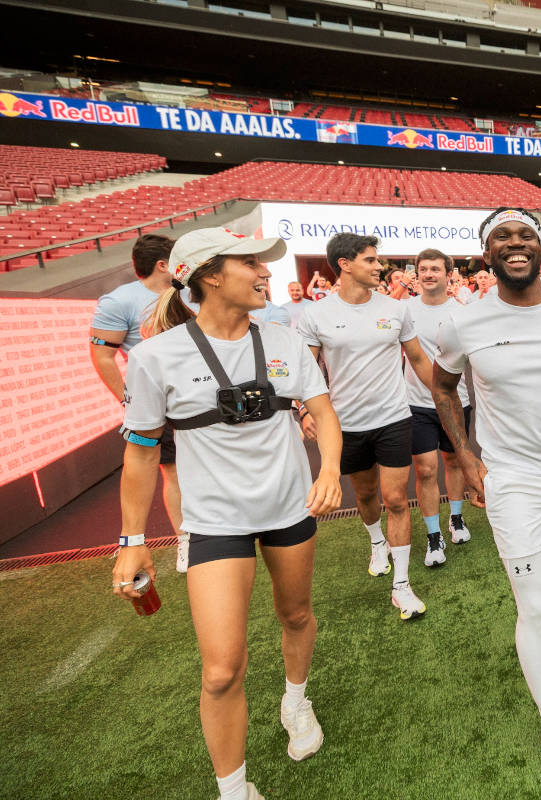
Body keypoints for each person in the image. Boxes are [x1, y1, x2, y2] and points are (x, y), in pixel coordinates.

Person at [112, 227, 342, 800]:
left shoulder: (285, 339)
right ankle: (234, 791)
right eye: (252, 263)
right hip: (214, 523)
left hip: (290, 508)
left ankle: (295, 701)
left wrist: (330, 469)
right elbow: (140, 455)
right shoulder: (154, 357)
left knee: (296, 616)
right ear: (210, 275)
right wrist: (131, 538)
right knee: (220, 670)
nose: (266, 273)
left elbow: (322, 410)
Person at [432, 208, 541, 800]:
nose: (515, 245)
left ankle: (530, 585)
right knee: (534, 607)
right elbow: (442, 384)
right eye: (501, 238)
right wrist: (467, 456)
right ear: (487, 255)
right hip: (511, 480)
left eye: (525, 236)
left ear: (540, 248)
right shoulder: (464, 322)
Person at [297, 233, 435, 617]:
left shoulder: (395, 309)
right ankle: (377, 541)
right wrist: (304, 410)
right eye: (371, 260)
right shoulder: (315, 314)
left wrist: (443, 395)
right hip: (345, 425)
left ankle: (402, 586)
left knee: (396, 500)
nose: (379, 267)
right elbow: (306, 371)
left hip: (394, 417)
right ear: (344, 264)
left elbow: (419, 359)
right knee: (366, 495)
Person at [89, 233, 189, 572]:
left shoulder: (188, 290)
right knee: (174, 474)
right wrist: (129, 402)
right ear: (163, 264)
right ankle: (187, 542)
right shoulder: (118, 301)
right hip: (161, 405)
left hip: (202, 396)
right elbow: (103, 356)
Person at [405, 248, 474, 563]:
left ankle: (456, 517)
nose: (429, 274)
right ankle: (434, 537)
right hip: (416, 404)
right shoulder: (403, 311)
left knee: (455, 462)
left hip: (457, 401)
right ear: (417, 274)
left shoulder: (462, 312)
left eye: (436, 269)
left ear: (450, 275)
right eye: (424, 269)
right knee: (426, 469)